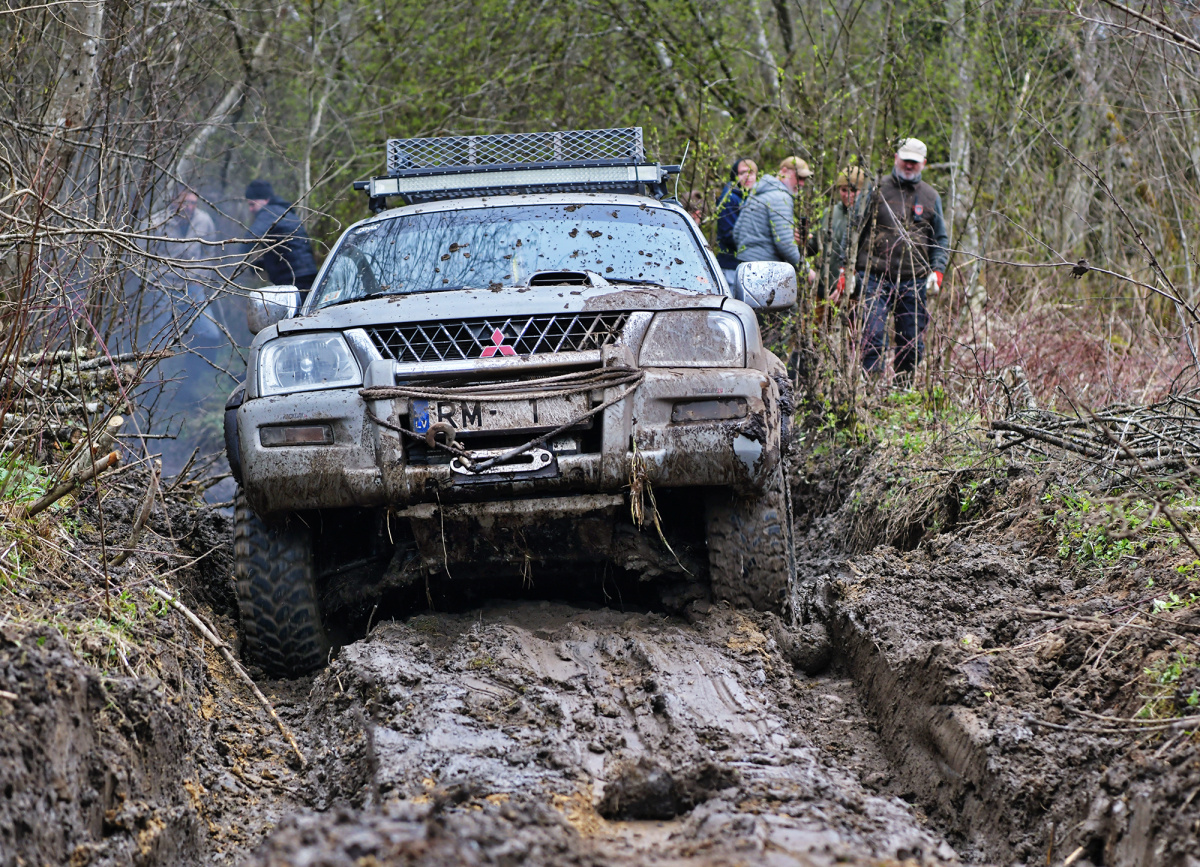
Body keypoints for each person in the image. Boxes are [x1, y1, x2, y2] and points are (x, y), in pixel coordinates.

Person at [853, 138, 949, 385]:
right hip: (874, 275)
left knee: (911, 342)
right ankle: (870, 388)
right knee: (873, 336)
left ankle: (902, 390)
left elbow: (940, 239)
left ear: (923, 163)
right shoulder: (876, 189)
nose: (908, 166)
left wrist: (937, 271)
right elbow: (855, 228)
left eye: (914, 162)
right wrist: (847, 267)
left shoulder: (930, 196)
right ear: (896, 158)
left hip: (914, 279)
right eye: (905, 160)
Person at [243, 179, 319, 298]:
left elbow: (249, 239)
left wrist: (232, 257)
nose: (250, 209)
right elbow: (289, 249)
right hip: (305, 274)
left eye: (252, 204)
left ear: (265, 200)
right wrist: (262, 264)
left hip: (294, 279)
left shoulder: (269, 213)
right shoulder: (283, 212)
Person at [734, 156, 811, 271]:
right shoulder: (781, 197)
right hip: (765, 269)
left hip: (744, 266)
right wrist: (807, 271)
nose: (802, 183)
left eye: (804, 179)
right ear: (784, 171)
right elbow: (785, 245)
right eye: (799, 177)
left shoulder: (757, 192)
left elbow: (737, 231)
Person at [806, 166, 868, 308]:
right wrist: (803, 241)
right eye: (844, 190)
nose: (848, 195)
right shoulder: (829, 213)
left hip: (853, 294)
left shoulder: (867, 217)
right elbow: (813, 247)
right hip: (824, 291)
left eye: (853, 190)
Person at [714, 158, 757, 291]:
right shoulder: (730, 198)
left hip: (746, 265)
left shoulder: (751, 198)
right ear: (735, 176)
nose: (747, 176)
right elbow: (728, 235)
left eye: (751, 172)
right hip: (732, 266)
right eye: (742, 173)